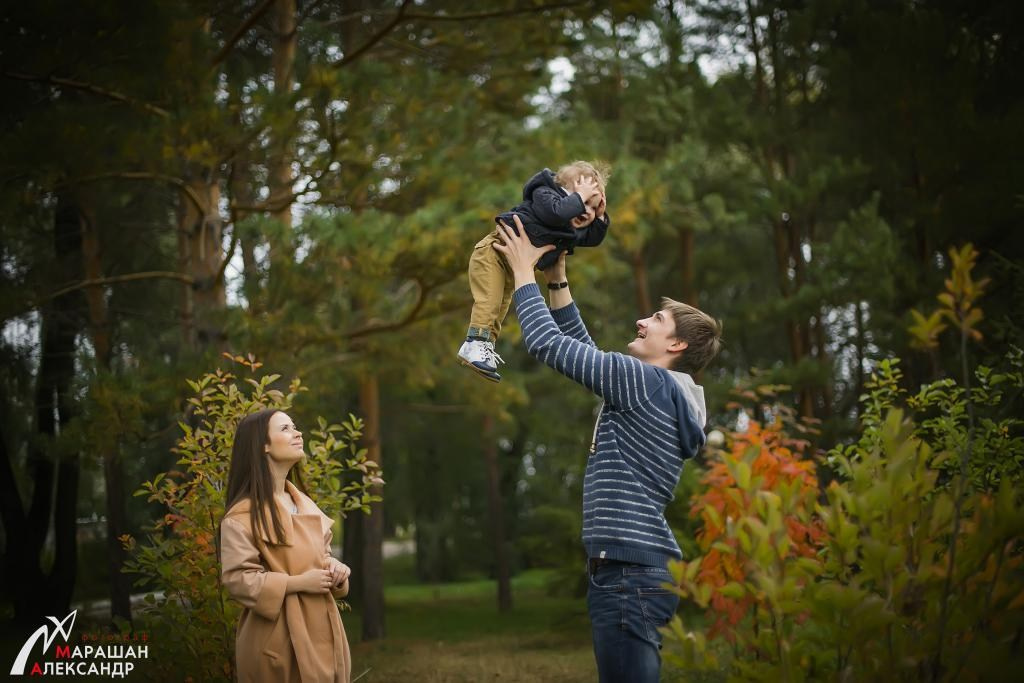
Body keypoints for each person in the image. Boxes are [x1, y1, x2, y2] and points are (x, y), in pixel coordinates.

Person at [492, 216, 722, 683]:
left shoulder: (645, 381)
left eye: (656, 320)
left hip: (627, 577)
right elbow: (585, 355)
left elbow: (546, 344)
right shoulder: (666, 391)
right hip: (637, 572)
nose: (641, 320)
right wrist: (556, 278)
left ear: (676, 343)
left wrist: (521, 272)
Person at [220, 409, 352, 683]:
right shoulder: (242, 517)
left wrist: (336, 570)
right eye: (285, 428)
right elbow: (238, 580)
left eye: (295, 426)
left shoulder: (304, 506)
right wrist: (298, 583)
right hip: (276, 645)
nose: (298, 433)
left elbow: (321, 561)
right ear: (263, 445)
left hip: (322, 636)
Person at [458, 161, 611, 382]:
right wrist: (579, 199)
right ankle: (474, 342)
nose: (585, 209)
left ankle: (484, 347)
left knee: (499, 308)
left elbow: (592, 239)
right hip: (492, 253)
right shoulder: (545, 194)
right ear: (564, 190)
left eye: (592, 206)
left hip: (510, 268)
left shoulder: (568, 228)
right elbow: (556, 213)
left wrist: (601, 218)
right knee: (489, 302)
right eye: (583, 200)